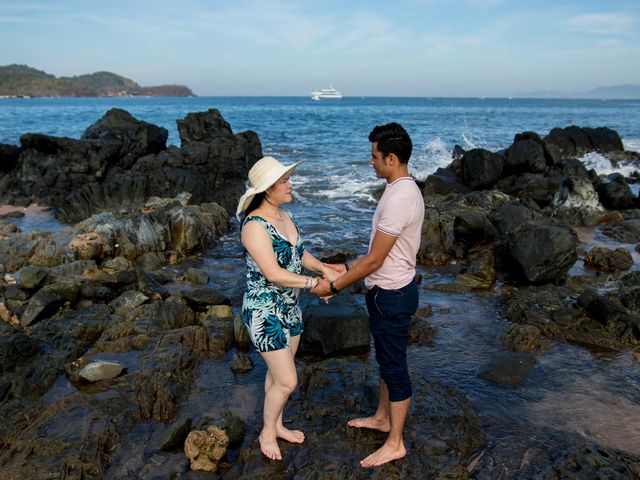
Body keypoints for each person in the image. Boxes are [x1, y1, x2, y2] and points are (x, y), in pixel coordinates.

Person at [314, 123, 424, 468]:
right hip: (390, 290)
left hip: (391, 295)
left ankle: (395, 443)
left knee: (395, 367)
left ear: (391, 158)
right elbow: (379, 254)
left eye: (375, 157)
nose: (371, 162)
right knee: (387, 361)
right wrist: (341, 265)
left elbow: (376, 259)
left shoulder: (399, 198)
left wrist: (333, 286)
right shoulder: (401, 189)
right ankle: (382, 418)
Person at [236, 156, 337, 461]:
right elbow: (273, 273)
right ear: (267, 189)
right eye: (284, 181)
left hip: (290, 306)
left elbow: (297, 252)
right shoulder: (254, 227)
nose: (290, 184)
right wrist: (313, 285)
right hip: (264, 311)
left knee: (278, 374)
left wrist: (324, 270)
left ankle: (276, 424)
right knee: (288, 380)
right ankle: (267, 432)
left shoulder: (285, 215)